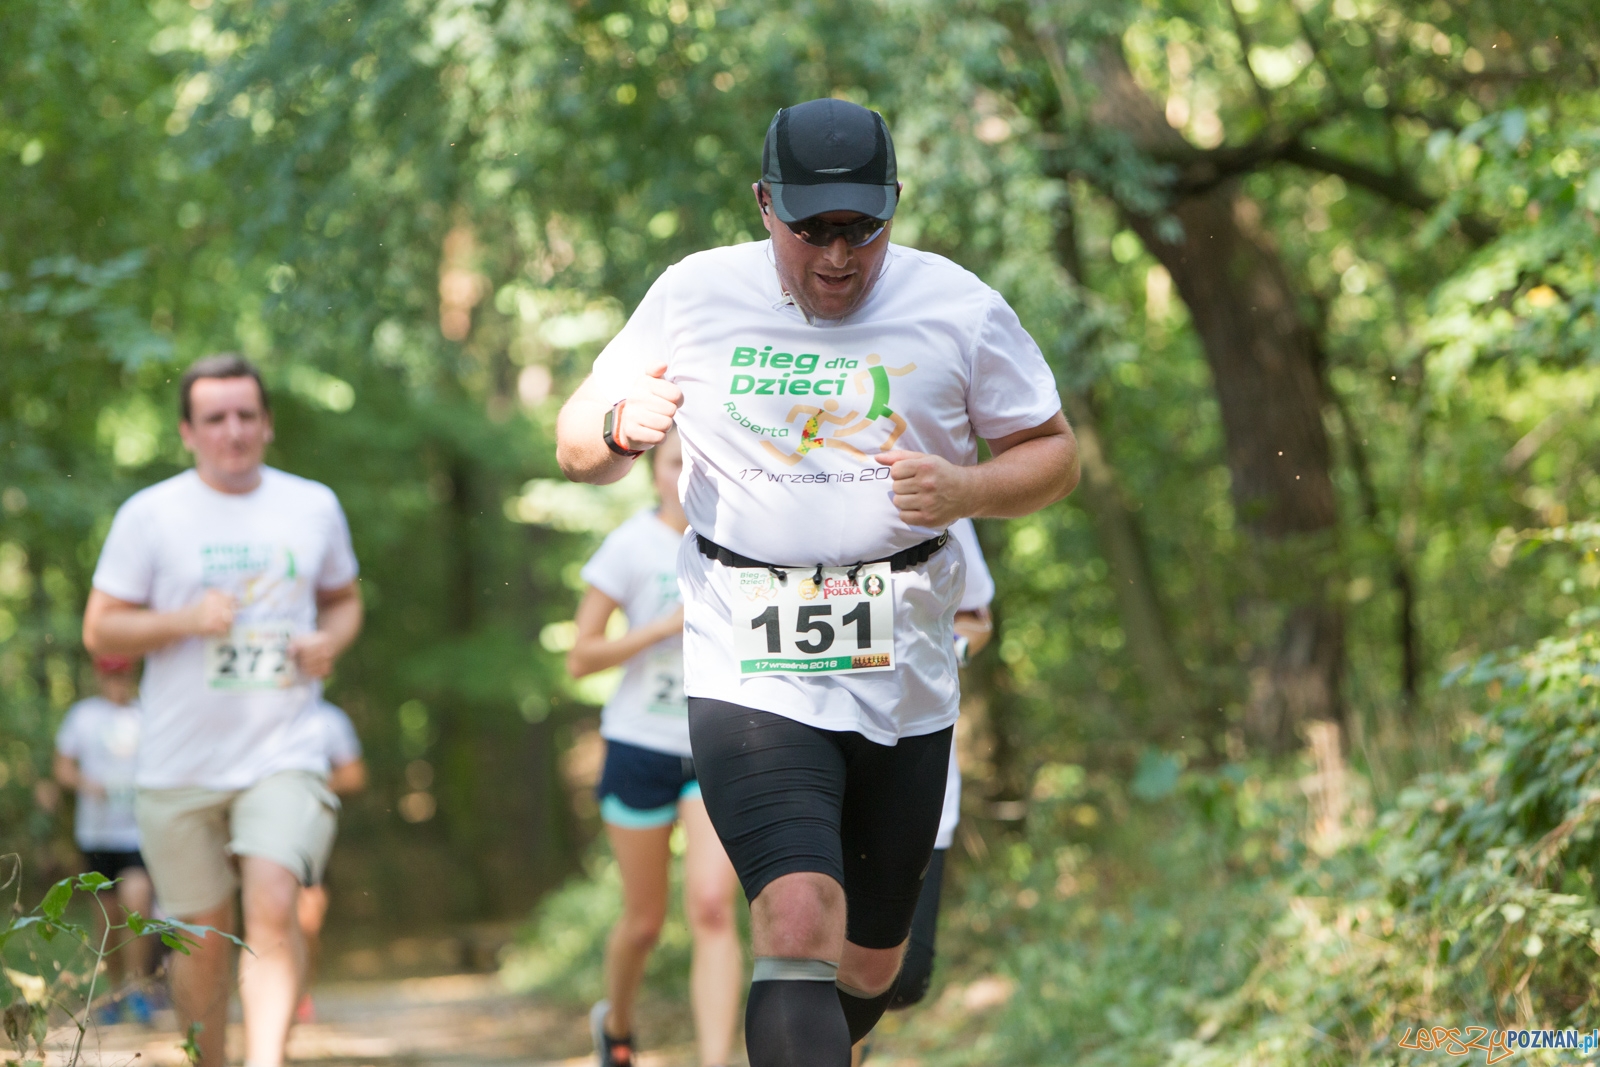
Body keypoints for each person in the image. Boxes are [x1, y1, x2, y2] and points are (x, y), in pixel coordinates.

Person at [555, 98, 1077, 1067]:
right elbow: (575, 441)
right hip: (748, 653)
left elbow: (1053, 456)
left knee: (873, 964)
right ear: (764, 205)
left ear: (893, 208)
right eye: (812, 230)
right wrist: (623, 425)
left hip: (905, 659)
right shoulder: (693, 293)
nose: (838, 255)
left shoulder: (956, 305)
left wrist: (966, 485)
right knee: (795, 917)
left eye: (862, 229)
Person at [82, 354, 363, 1067]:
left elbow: (344, 597)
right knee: (202, 931)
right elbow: (101, 628)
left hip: (285, 747)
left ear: (267, 424)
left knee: (272, 897)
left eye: (246, 415)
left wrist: (328, 641)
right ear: (188, 431)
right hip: (179, 759)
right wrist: (182, 619)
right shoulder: (150, 514)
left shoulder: (313, 504)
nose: (232, 430)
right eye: (215, 418)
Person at [567, 427, 743, 1067]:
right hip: (638, 745)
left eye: (699, 464)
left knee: (712, 908)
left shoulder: (739, 540)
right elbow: (580, 658)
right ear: (654, 472)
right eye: (674, 463)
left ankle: (716, 1059)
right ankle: (615, 1026)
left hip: (711, 745)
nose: (686, 475)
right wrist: (659, 630)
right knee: (643, 922)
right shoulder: (630, 546)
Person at [851, 519, 994, 1066]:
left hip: (913, 754)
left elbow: (976, 617)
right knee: (809, 937)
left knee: (902, 977)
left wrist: (942, 650)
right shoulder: (771, 476)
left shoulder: (930, 476)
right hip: (806, 744)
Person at [53, 655, 157, 1023]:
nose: (119, 681)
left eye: (124, 674)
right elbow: (62, 767)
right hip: (97, 834)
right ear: (101, 676)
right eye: (112, 674)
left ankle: (136, 987)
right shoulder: (83, 716)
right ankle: (113, 992)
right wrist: (86, 784)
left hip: (138, 832)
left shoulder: (148, 714)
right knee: (107, 918)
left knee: (138, 902)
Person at [295, 697, 369, 1024]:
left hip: (309, 829)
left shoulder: (329, 719)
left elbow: (355, 775)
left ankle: (301, 991)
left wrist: (312, 786)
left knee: (307, 916)